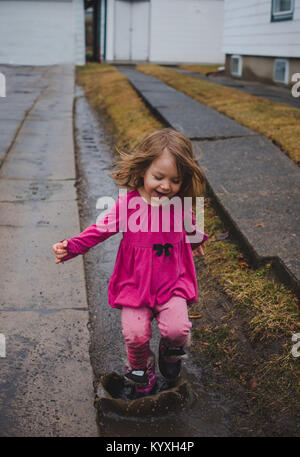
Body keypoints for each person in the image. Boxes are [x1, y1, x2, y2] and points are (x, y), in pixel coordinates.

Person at [52, 128, 209, 397]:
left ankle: (170, 353)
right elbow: (100, 230)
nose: (165, 186)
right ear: (143, 170)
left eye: (174, 180)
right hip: (135, 283)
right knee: (135, 334)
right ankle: (141, 370)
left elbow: (189, 228)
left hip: (172, 281)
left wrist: (197, 240)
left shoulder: (180, 205)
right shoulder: (128, 205)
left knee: (178, 329)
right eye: (158, 177)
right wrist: (72, 246)